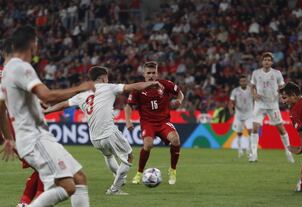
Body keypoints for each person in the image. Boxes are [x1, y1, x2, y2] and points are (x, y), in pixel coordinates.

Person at [1, 25, 94, 207]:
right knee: (67, 187)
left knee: (79, 179)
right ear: (33, 44)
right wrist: (80, 88)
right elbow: (47, 95)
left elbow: (1, 105)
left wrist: (8, 138)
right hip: (35, 138)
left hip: (36, 137)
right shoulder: (22, 67)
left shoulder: (7, 71)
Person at [44, 66, 163, 195]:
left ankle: (118, 179)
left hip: (94, 138)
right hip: (108, 132)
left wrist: (47, 111)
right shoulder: (108, 87)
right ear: (102, 78)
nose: (108, 79)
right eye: (107, 76)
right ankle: (114, 189)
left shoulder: (82, 95)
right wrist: (151, 83)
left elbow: (63, 104)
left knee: (108, 155)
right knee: (128, 156)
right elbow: (132, 86)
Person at [0, 38, 44, 207]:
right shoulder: (16, 72)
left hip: (8, 127)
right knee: (45, 167)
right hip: (16, 127)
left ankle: (24, 203)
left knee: (41, 167)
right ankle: (32, 203)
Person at [125, 61, 184, 185]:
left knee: (176, 140)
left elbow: (180, 93)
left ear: (157, 73)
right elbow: (129, 106)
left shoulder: (165, 84)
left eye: (153, 73)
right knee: (148, 144)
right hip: (148, 123)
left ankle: (172, 170)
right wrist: (128, 121)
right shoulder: (138, 88)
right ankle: (139, 173)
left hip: (163, 122)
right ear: (144, 74)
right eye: (148, 73)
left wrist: (178, 101)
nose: (151, 75)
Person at [249, 52, 294, 163]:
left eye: (269, 60)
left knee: (281, 129)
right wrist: (254, 95)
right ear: (262, 61)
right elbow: (252, 86)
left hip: (272, 105)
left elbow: (282, 87)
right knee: (255, 127)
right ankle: (253, 154)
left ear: (271, 62)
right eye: (265, 60)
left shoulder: (277, 73)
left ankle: (288, 152)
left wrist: (283, 97)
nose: (267, 62)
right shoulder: (256, 73)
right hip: (259, 105)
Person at [229, 75, 253, 158]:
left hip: (249, 114)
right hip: (239, 114)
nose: (243, 82)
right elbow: (231, 101)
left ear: (247, 81)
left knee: (250, 131)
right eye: (241, 81)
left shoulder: (251, 90)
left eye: (244, 81)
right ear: (239, 82)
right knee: (239, 133)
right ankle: (240, 150)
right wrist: (231, 109)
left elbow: (255, 98)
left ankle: (249, 149)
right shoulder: (235, 91)